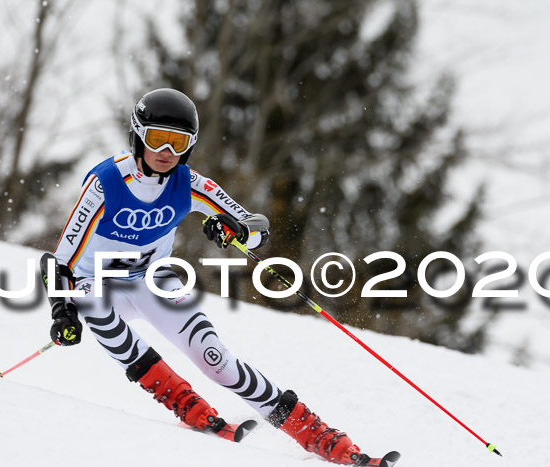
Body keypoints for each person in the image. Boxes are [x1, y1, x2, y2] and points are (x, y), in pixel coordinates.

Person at [42, 88, 386, 465]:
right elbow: (59, 263)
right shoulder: (106, 184)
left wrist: (235, 230)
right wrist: (61, 311)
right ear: (138, 135)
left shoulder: (187, 183)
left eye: (178, 143)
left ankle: (318, 435)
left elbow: (256, 227)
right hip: (98, 285)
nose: (166, 153)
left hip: (150, 281)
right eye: (158, 139)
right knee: (91, 299)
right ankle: (182, 400)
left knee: (216, 359)